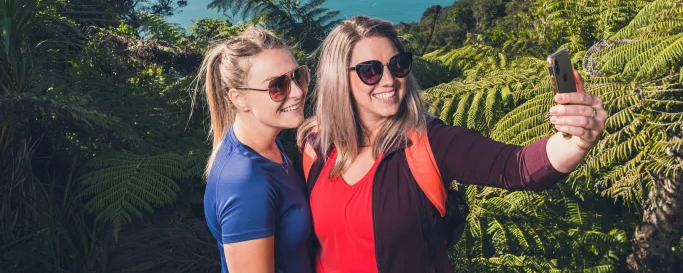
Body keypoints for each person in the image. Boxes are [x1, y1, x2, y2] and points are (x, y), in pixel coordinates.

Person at [299, 16, 606, 273]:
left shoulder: (429, 143)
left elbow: (518, 166)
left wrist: (578, 140)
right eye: (370, 71)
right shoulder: (317, 148)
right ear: (340, 79)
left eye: (398, 65)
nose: (389, 80)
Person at [198, 28, 314, 273]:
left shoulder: (268, 146)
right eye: (277, 85)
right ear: (239, 98)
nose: (298, 91)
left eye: (298, 76)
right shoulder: (244, 181)